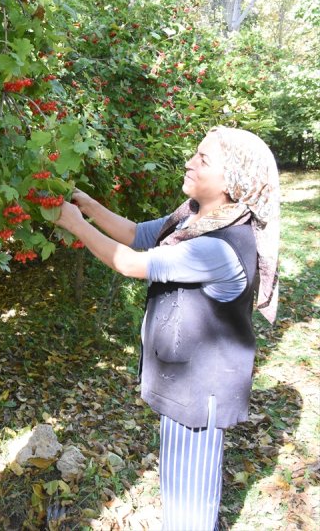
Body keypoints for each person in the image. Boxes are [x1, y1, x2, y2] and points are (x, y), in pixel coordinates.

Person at [53, 126, 280, 530]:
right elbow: (138, 234)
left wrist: (76, 225)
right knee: (179, 485)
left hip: (200, 390)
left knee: (189, 500)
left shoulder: (219, 244)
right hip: (184, 381)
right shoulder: (196, 217)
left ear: (234, 181)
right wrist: (87, 204)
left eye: (204, 159)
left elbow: (131, 262)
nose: (190, 162)